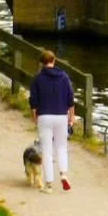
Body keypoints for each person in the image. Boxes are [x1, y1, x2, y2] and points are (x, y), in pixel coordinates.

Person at [28, 49, 75, 193]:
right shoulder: (64, 77)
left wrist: (35, 118)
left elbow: (33, 102)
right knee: (61, 147)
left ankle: (48, 185)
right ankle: (63, 174)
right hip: (61, 115)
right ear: (54, 61)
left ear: (41, 63)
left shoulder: (37, 79)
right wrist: (71, 117)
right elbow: (70, 99)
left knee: (47, 150)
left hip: (44, 116)